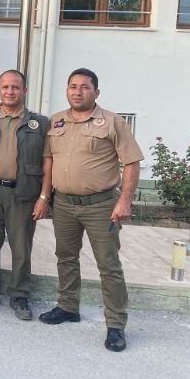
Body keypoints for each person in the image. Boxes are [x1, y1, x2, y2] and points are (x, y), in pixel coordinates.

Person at [40, 68, 143, 353]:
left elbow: (131, 162)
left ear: (96, 92)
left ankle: (116, 324)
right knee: (66, 257)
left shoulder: (112, 122)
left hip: (101, 206)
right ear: (67, 90)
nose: (78, 91)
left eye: (84, 87)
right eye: (73, 86)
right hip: (64, 204)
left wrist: (125, 200)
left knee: (108, 266)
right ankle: (67, 306)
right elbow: (49, 161)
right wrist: (45, 197)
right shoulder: (56, 121)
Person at [0, 70, 51, 321]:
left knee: (21, 248)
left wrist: (44, 197)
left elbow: (48, 161)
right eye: (5, 87)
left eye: (15, 87)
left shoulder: (40, 123)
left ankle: (19, 295)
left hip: (23, 194)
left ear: (24, 91)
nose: (10, 91)